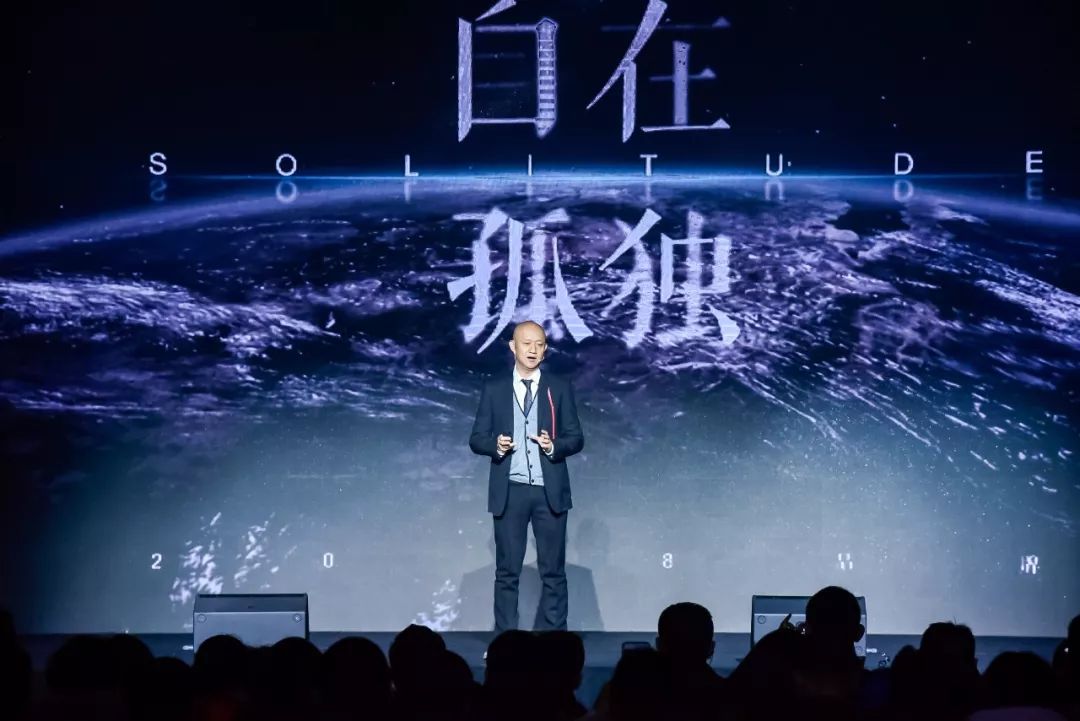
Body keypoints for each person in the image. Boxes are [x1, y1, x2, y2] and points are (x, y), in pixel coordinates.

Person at [469, 320, 585, 632]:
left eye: (539, 344)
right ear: (513, 347)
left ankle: (556, 640)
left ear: (545, 350)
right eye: (526, 343)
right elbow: (476, 438)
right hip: (511, 490)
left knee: (553, 571)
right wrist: (496, 446)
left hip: (550, 491)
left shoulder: (558, 388)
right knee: (507, 571)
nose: (533, 350)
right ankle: (506, 640)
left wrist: (553, 446)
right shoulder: (495, 389)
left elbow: (576, 438)